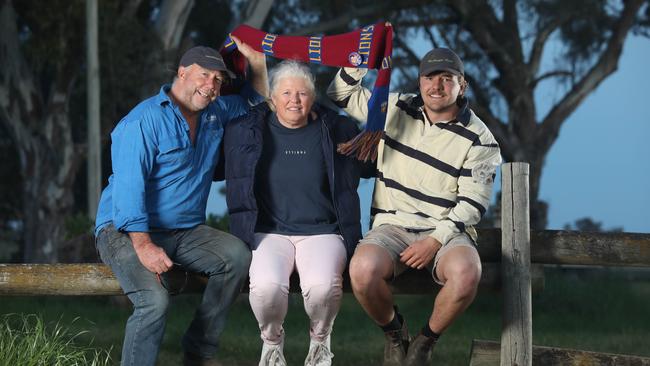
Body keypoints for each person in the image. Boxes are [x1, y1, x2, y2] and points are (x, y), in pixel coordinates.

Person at [94, 38, 267, 366]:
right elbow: (130, 192)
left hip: (183, 231)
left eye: (218, 80)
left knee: (236, 256)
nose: (211, 86)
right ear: (182, 72)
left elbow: (256, 102)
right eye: (204, 75)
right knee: (154, 301)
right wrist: (144, 246)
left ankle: (199, 351)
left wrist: (257, 64)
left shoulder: (215, 112)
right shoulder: (141, 122)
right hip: (125, 230)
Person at [327, 48, 502, 365]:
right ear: (420, 82)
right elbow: (339, 93)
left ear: (461, 85)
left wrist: (435, 240)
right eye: (429, 78)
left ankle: (425, 342)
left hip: (445, 230)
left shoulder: (481, 138)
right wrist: (363, 53)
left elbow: (473, 203)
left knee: (467, 272)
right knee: (361, 271)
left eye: (446, 79)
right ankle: (395, 332)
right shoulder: (394, 107)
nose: (436, 86)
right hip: (391, 226)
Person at [221, 60, 370, 366]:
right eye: (286, 92)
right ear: (272, 98)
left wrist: (380, 122)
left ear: (312, 98)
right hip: (267, 231)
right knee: (265, 289)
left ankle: (320, 340)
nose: (294, 99)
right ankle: (272, 342)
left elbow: (371, 162)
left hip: (323, 231)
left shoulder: (338, 129)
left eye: (302, 93)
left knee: (322, 289)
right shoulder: (245, 131)